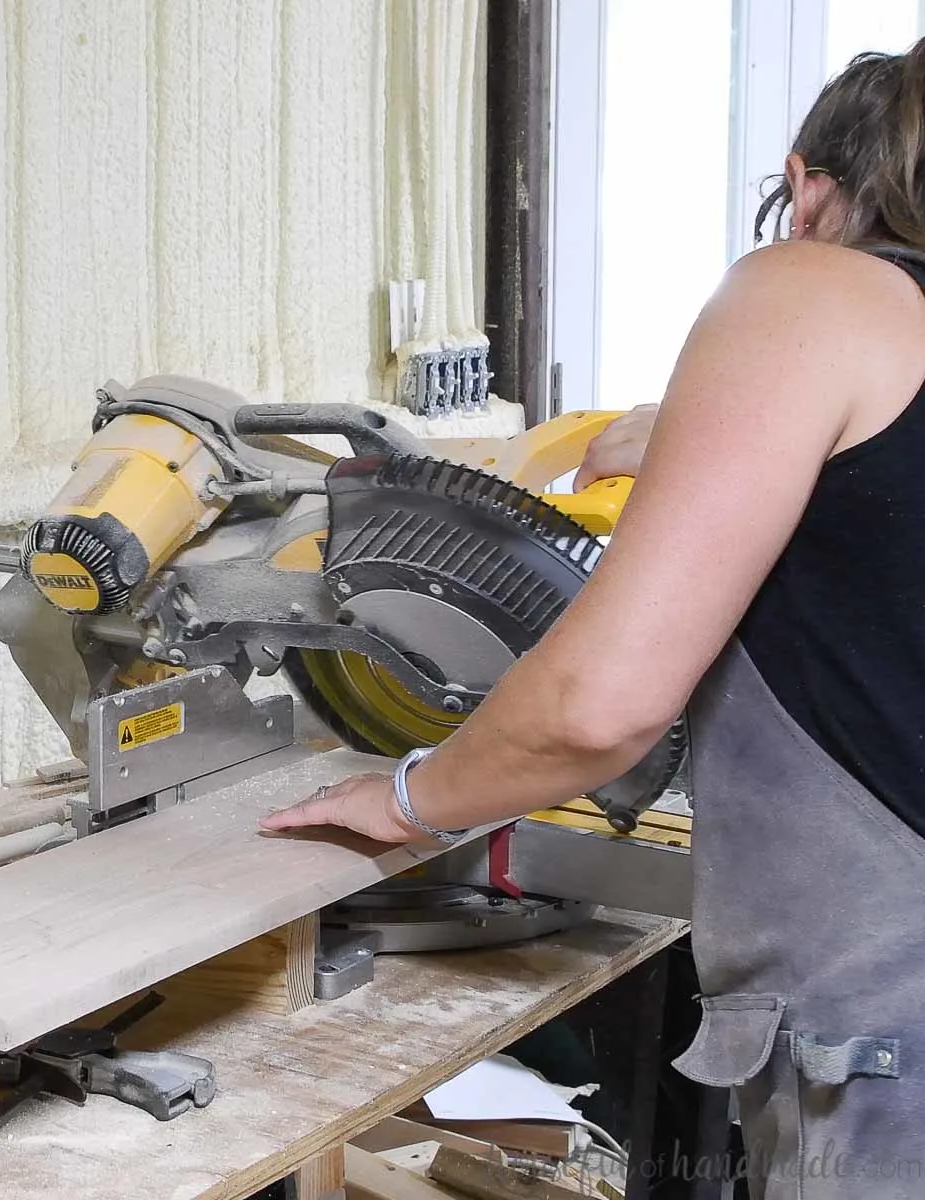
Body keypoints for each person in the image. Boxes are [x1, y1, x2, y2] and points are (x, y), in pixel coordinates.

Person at [262, 43, 925, 1199]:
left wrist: (409, 795)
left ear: (805, 187)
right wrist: (667, 431)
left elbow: (597, 708)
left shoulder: (808, 287)